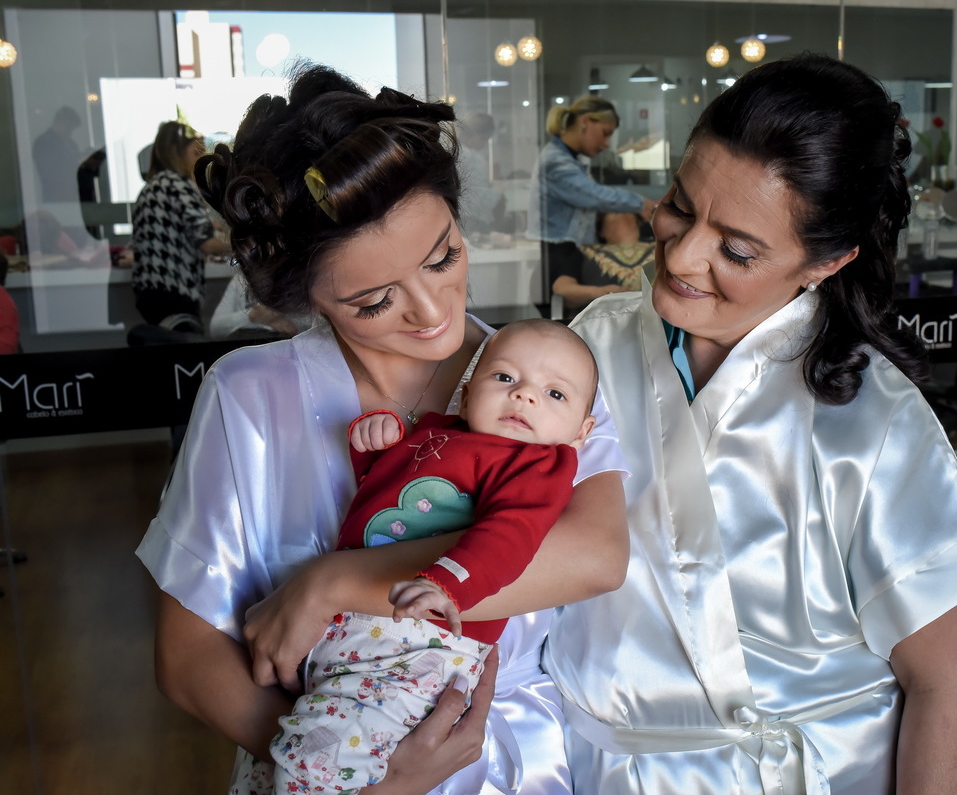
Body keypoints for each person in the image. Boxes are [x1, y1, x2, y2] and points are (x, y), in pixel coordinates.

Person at [135, 64, 629, 795]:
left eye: (444, 257)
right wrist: (358, 768)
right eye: (373, 301)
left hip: (517, 757)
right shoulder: (250, 395)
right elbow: (185, 658)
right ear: (307, 298)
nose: (432, 311)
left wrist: (330, 581)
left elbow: (592, 553)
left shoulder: (541, 372)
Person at [543, 52, 957, 795]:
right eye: (678, 203)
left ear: (826, 263)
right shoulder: (581, 354)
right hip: (587, 767)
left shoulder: (871, 417)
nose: (684, 254)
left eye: (735, 248)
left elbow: (951, 680)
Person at [271, 319, 598, 794]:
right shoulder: (437, 434)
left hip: (426, 647)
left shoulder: (538, 465)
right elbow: (383, 498)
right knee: (290, 749)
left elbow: (510, 537)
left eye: (555, 395)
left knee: (316, 759)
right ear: (466, 396)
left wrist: (447, 583)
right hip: (355, 630)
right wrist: (375, 444)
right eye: (505, 378)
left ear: (581, 433)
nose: (524, 396)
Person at [526, 95, 657, 312]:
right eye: (606, 133)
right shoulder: (555, 161)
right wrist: (638, 203)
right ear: (586, 121)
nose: (606, 144)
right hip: (558, 256)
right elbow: (593, 195)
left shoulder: (570, 161)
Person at [131, 120, 231, 330]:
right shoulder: (177, 185)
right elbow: (207, 243)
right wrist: (246, 245)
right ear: (176, 152)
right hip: (175, 290)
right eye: (195, 154)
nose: (199, 161)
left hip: (150, 291)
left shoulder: (153, 186)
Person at [454, 111, 507, 238]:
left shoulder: (458, 153)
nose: (484, 144)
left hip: (463, 220)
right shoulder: (468, 157)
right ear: (472, 135)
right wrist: (497, 190)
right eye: (484, 139)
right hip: (472, 221)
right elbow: (477, 199)